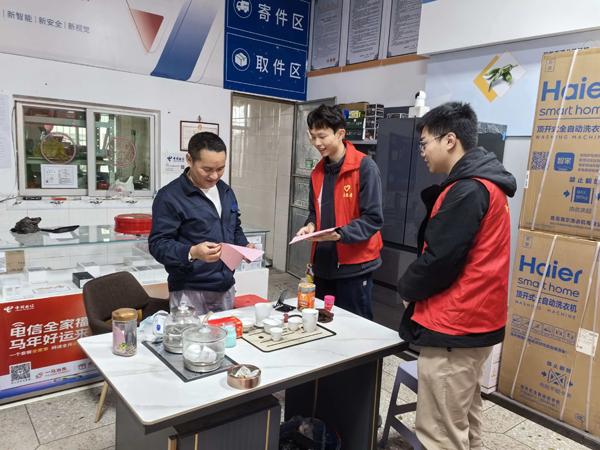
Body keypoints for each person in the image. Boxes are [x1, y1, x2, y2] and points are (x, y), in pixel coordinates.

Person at [397, 102, 516, 449]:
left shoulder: (468, 189)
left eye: (425, 143)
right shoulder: (487, 184)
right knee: (463, 420)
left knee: (439, 433)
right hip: (478, 321)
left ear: (450, 140)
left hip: (456, 325)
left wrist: (407, 288)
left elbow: (440, 260)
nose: (422, 152)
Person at [149, 132, 252, 314]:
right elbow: (158, 245)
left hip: (225, 286)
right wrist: (192, 252)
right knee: (191, 334)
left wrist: (244, 245)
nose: (214, 176)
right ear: (189, 159)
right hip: (189, 290)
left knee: (223, 333)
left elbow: (234, 226)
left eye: (220, 169)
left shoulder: (225, 191)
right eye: (207, 169)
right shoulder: (170, 196)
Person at [296, 104, 383, 319]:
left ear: (340, 133)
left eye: (322, 136)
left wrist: (340, 234)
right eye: (313, 137)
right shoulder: (317, 172)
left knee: (354, 326)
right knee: (322, 322)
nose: (317, 143)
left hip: (354, 267)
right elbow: (314, 211)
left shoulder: (364, 167)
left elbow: (373, 219)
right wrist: (310, 226)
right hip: (323, 265)